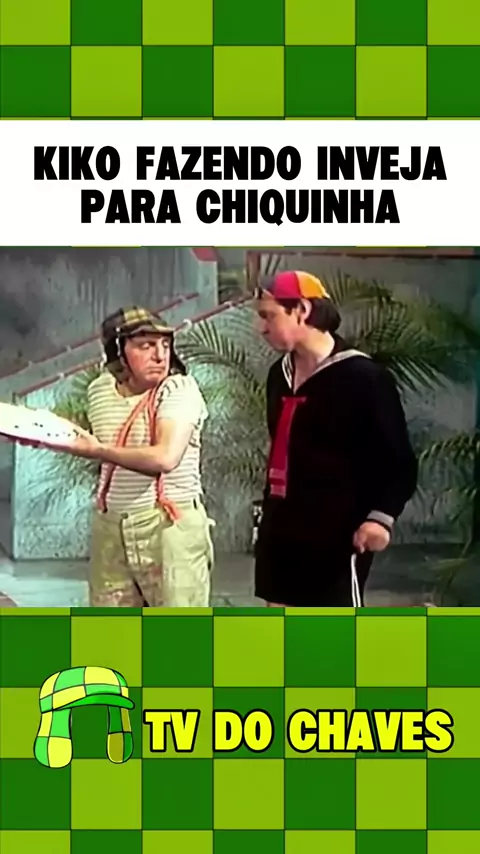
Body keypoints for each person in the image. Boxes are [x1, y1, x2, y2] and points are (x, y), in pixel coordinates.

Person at [254, 271, 418, 608]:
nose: (261, 327)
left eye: (269, 316)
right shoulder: (278, 375)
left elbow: (398, 460)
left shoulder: (364, 378)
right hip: (281, 528)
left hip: (337, 533)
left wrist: (380, 517)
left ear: (301, 310)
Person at [37, 306, 214, 608]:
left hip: (167, 524)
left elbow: (165, 457)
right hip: (111, 524)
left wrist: (96, 450)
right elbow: (104, 448)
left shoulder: (179, 389)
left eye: (165, 345)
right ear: (118, 352)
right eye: (146, 346)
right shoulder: (99, 391)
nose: (160, 356)